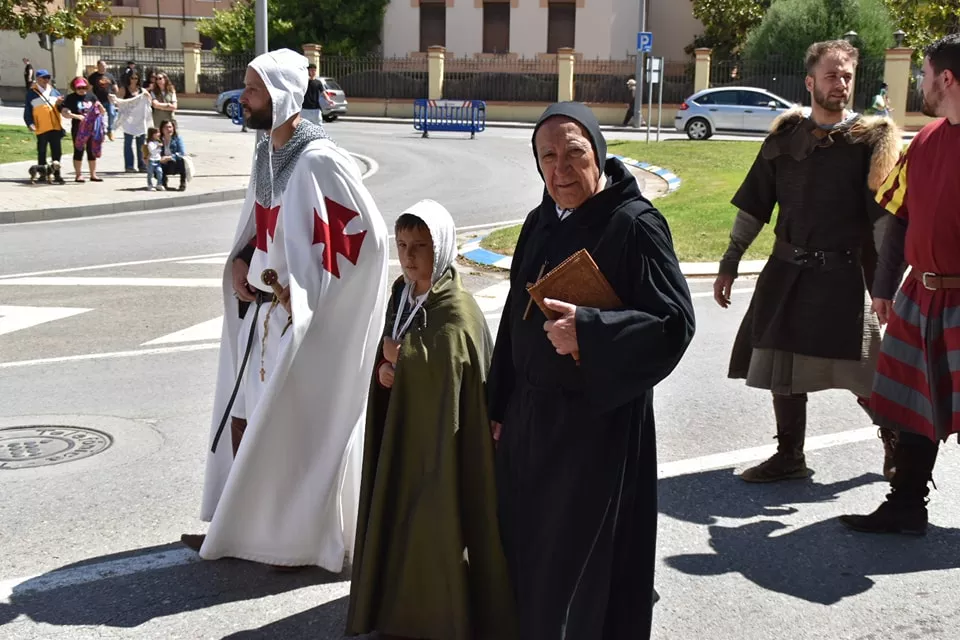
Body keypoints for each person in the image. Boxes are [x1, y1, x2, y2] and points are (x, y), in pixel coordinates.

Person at [487, 101, 695, 640]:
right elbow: (515, 317)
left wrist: (593, 331)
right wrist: (498, 406)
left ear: (598, 153)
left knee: (580, 567)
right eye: (547, 156)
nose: (560, 169)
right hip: (531, 421)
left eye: (574, 153)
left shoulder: (635, 225)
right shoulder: (538, 222)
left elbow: (673, 323)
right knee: (529, 551)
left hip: (595, 430)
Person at [180, 48, 389, 572]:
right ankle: (248, 524)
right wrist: (241, 262)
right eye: (247, 88)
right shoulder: (265, 152)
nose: (243, 98)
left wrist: (308, 298)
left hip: (296, 324)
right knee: (248, 412)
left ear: (281, 97)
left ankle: (287, 537)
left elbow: (370, 241)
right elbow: (264, 229)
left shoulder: (319, 159)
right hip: (263, 317)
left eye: (251, 90)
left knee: (289, 424)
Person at [713, 39, 902, 483]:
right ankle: (790, 457)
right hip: (786, 271)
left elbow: (883, 224)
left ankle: (895, 446)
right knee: (784, 368)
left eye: (848, 76)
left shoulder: (868, 143)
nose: (841, 84)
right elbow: (754, 207)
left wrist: (885, 288)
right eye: (833, 75)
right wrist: (729, 261)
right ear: (810, 81)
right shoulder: (784, 140)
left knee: (867, 375)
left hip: (844, 277)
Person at [346, 200, 517, 640]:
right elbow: (398, 353)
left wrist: (397, 357)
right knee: (397, 512)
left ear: (439, 249)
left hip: (443, 440)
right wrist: (386, 372)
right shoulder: (401, 295)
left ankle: (438, 614)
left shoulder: (456, 308)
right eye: (401, 245)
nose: (408, 257)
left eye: (419, 246)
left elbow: (453, 364)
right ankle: (391, 602)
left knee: (434, 519)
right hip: (405, 432)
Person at [840, 34, 960, 536]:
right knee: (912, 406)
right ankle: (907, 505)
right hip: (920, 295)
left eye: (925, 74)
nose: (922, 84)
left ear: (946, 78)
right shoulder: (927, 141)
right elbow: (900, 221)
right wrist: (884, 288)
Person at [23, 69, 65, 185]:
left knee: (57, 152)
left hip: (55, 127)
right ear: (38, 79)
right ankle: (42, 175)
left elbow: (60, 108)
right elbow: (28, 110)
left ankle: (57, 174)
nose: (46, 80)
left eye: (48, 78)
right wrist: (30, 124)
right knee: (42, 151)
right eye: (44, 78)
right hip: (41, 127)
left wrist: (60, 104)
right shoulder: (31, 93)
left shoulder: (54, 91)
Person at [60, 76, 104, 182]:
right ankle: (78, 175)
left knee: (92, 150)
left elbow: (101, 110)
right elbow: (64, 112)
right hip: (78, 128)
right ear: (75, 88)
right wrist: (76, 116)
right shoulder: (71, 98)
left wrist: (102, 109)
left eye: (84, 87)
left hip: (92, 128)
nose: (81, 90)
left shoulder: (91, 96)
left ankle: (93, 174)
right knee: (79, 150)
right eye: (79, 88)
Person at [111, 71, 151, 172]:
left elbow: (149, 101)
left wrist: (147, 96)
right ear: (128, 78)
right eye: (132, 78)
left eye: (136, 78)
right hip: (128, 121)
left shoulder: (142, 90)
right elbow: (118, 102)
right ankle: (129, 166)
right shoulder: (124, 89)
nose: (134, 80)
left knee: (141, 144)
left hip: (140, 121)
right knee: (128, 143)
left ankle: (142, 165)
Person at [87, 59, 118, 141]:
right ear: (98, 66)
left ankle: (110, 130)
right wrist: (91, 98)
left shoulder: (110, 75)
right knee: (100, 117)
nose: (103, 67)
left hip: (109, 100)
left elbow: (115, 87)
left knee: (112, 114)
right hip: (98, 100)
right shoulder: (93, 76)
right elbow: (89, 89)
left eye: (104, 65)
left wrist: (114, 93)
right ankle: (101, 132)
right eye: (101, 66)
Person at [158, 119, 188, 191]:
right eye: (166, 127)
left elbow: (182, 153)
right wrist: (160, 158)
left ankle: (182, 182)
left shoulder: (177, 138)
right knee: (153, 164)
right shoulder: (158, 139)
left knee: (182, 160)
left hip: (174, 162)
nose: (168, 129)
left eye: (170, 127)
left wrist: (169, 157)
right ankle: (163, 181)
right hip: (163, 163)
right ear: (162, 129)